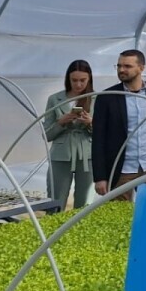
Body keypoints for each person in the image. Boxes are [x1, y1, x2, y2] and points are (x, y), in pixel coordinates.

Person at [92, 49, 146, 200]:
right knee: (119, 213)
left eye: (127, 66)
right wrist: (100, 177)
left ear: (141, 68)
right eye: (119, 66)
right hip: (122, 169)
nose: (121, 70)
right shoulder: (107, 97)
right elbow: (98, 139)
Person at [44, 60, 95, 209]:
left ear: (89, 79)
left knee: (85, 202)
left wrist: (90, 123)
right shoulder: (55, 99)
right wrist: (61, 122)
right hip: (61, 154)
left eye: (82, 80)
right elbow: (46, 135)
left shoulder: (96, 98)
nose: (78, 84)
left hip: (88, 155)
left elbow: (104, 134)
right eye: (74, 80)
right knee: (56, 200)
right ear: (68, 79)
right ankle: (54, 224)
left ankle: (81, 224)